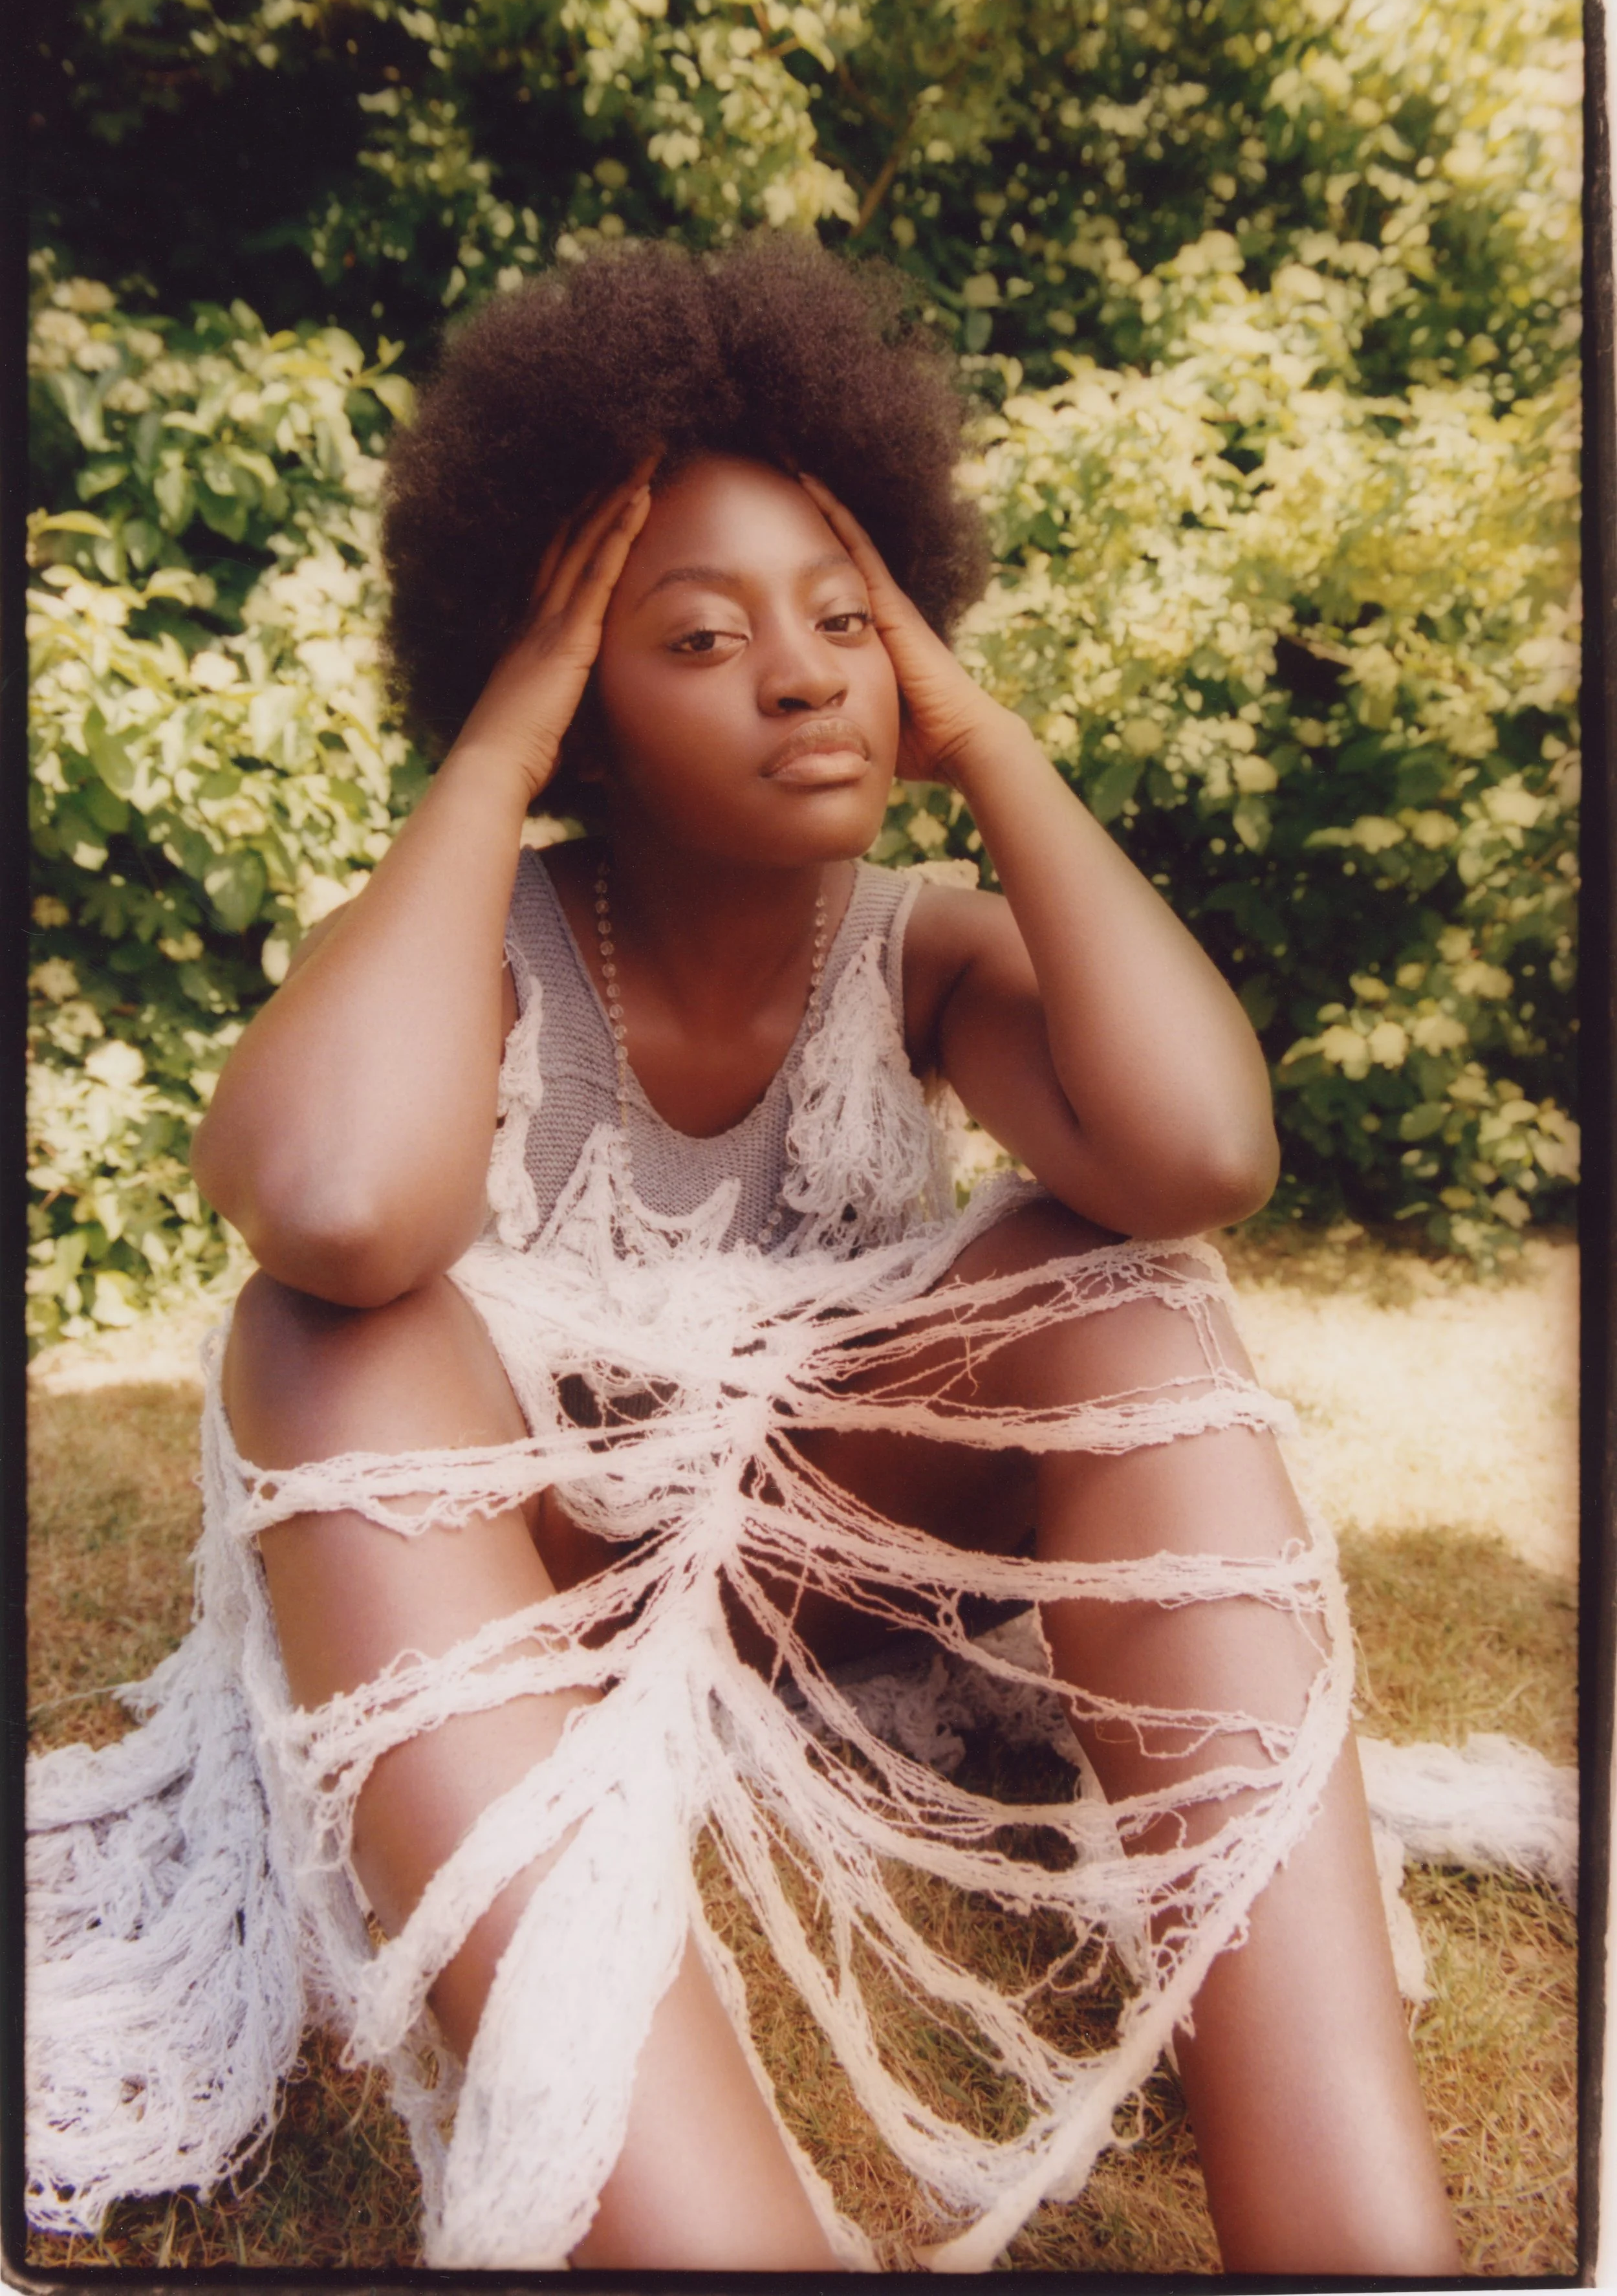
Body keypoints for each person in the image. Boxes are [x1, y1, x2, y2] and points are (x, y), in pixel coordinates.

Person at [28, 235, 1460, 2275]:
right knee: (330, 1337)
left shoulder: (924, 945)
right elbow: (332, 1201)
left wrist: (987, 743)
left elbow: (1198, 1150)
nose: (802, 674)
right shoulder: (494, 939)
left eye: (849, 622)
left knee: (1125, 1292)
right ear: (580, 710)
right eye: (693, 638)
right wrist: (493, 757)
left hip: (808, 1566)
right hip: (510, 1610)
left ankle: (1354, 2241)